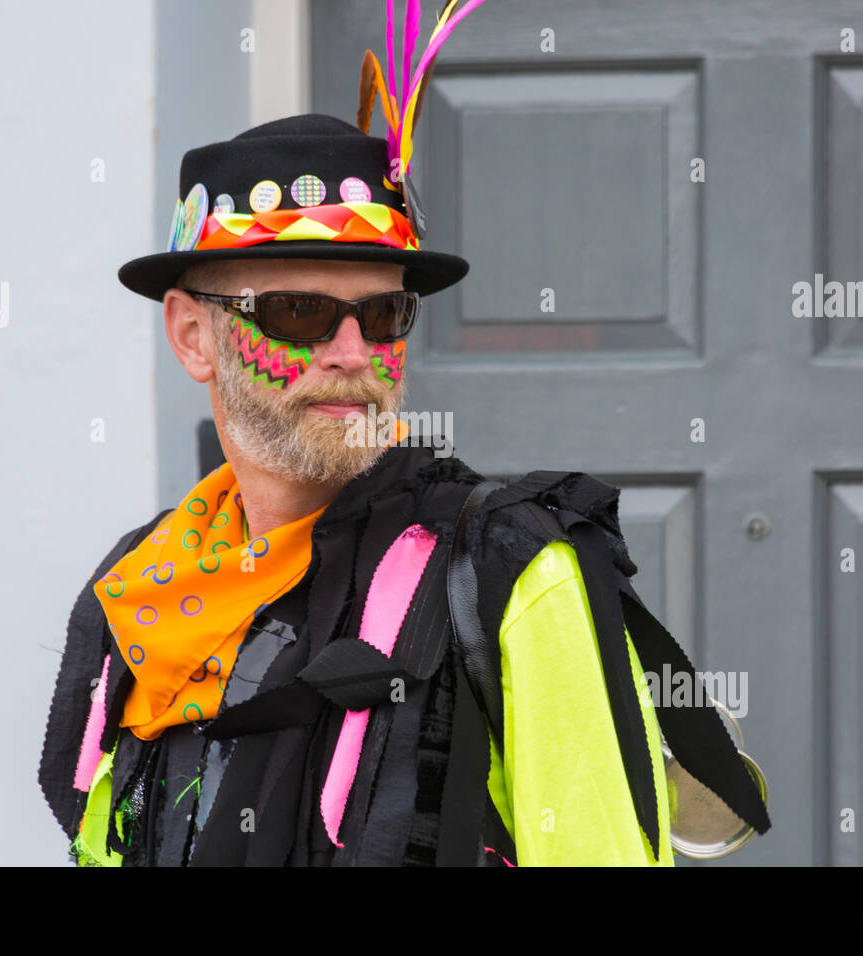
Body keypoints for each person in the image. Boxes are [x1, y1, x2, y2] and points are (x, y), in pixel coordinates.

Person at [38, 2, 768, 867]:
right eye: (299, 312)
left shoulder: (507, 570)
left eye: (383, 313)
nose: (355, 353)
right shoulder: (135, 588)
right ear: (194, 336)